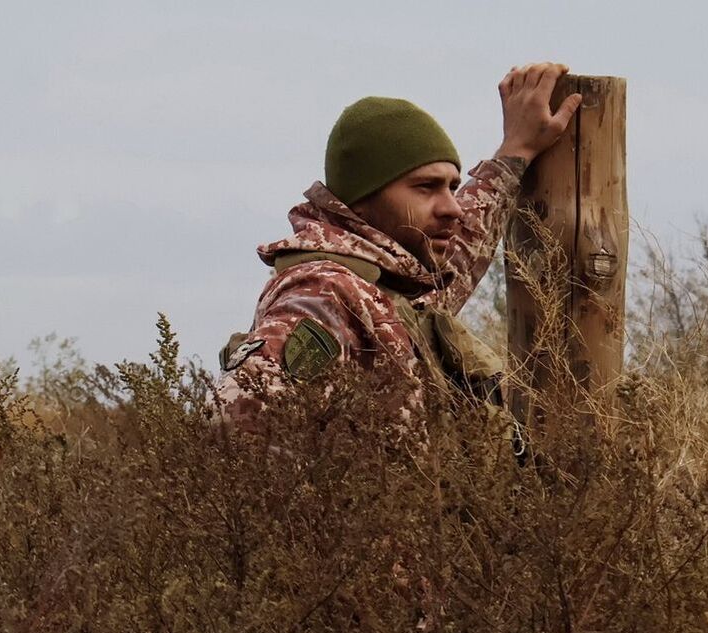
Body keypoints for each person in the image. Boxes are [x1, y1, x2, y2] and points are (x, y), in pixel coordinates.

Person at [213, 61, 581, 446]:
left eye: (452, 187)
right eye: (425, 187)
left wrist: (516, 151)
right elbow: (236, 430)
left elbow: (460, 252)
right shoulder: (324, 294)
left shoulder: (394, 287)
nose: (451, 207)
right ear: (362, 200)